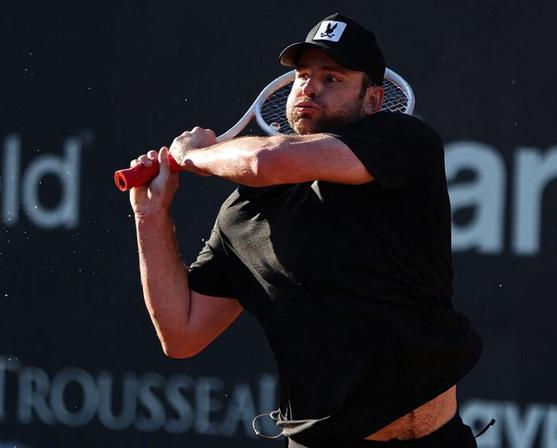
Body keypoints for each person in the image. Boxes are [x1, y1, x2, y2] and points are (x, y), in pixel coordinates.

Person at [128, 13, 483, 448]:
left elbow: (264, 162)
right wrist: (151, 216)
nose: (310, 88)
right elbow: (180, 333)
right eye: (302, 76)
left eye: (332, 78)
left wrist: (199, 155)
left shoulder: (406, 143)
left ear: (374, 100)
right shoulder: (243, 214)